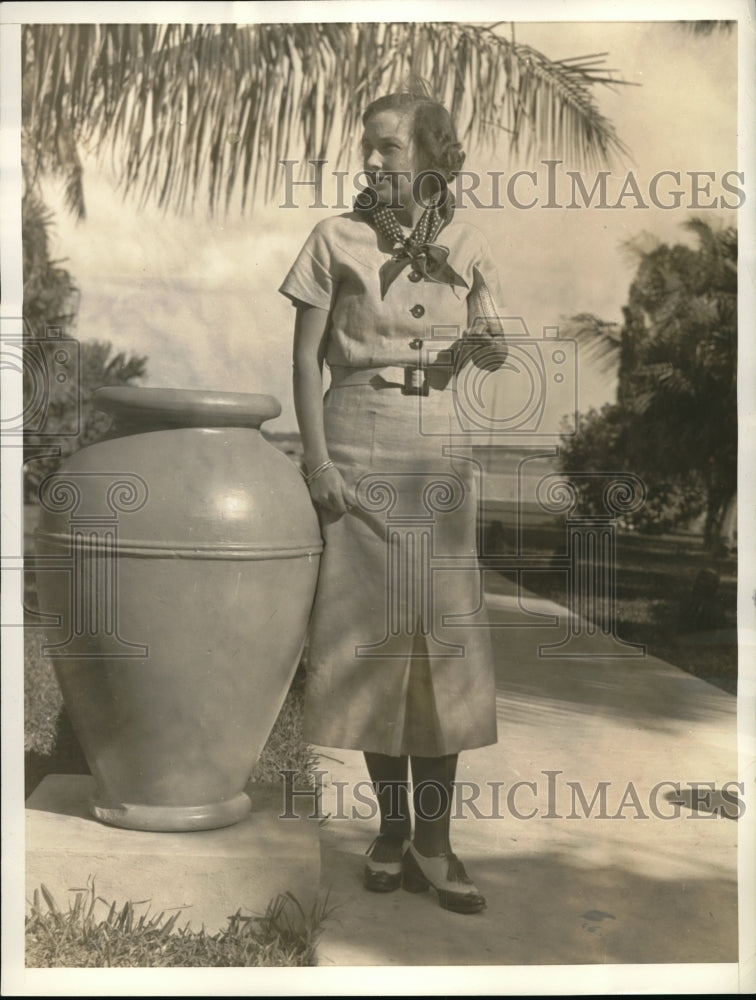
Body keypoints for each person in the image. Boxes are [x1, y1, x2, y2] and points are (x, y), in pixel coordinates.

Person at [280, 85, 507, 915]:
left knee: (441, 645)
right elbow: (306, 361)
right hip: (356, 437)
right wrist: (317, 464)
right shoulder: (331, 238)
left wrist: (488, 342)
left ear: (431, 155)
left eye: (389, 147)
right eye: (367, 147)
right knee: (375, 644)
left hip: (440, 446)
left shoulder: (473, 240)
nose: (373, 160)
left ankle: (437, 845)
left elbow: (490, 351)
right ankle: (389, 830)